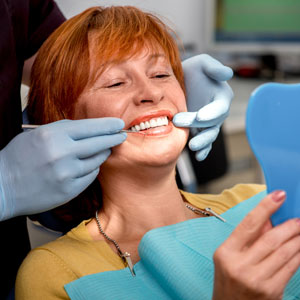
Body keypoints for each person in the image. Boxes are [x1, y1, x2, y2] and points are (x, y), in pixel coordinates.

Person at [15, 6, 300, 300]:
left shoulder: (262, 202)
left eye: (162, 74)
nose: (151, 92)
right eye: (115, 82)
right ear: (65, 124)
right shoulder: (56, 273)